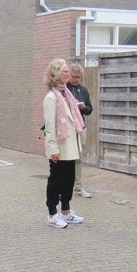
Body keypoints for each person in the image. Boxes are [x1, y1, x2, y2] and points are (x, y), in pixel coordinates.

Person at [43, 59, 85, 229]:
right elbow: (50, 127)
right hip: (59, 147)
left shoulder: (68, 94)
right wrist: (53, 149)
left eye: (68, 71)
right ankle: (52, 213)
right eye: (65, 71)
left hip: (71, 145)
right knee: (56, 180)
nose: (68, 74)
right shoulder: (51, 98)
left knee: (69, 180)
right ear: (56, 74)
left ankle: (66, 211)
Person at [67, 63, 93, 198]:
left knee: (78, 157)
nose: (76, 80)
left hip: (80, 127)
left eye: (79, 77)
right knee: (66, 157)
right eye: (74, 77)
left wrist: (83, 108)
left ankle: (78, 187)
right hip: (67, 128)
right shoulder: (64, 90)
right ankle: (65, 186)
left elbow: (90, 109)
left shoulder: (83, 90)